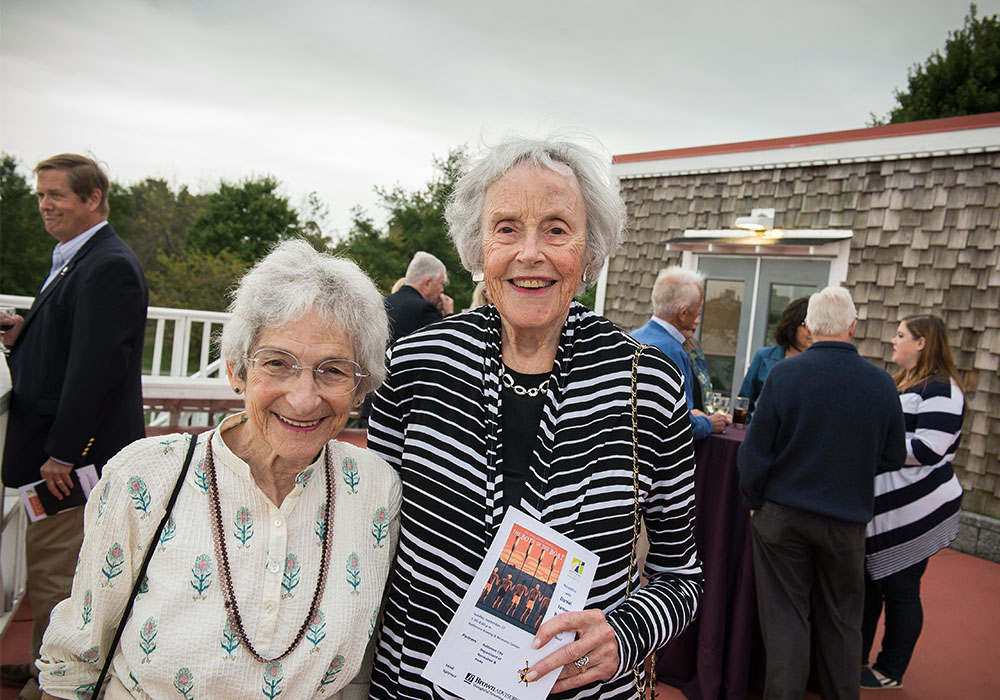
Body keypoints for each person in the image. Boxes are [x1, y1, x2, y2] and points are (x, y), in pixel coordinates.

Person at [367, 135, 703, 699]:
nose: (530, 252)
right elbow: (373, 541)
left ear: (590, 252)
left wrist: (626, 633)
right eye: (506, 228)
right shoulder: (415, 365)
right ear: (478, 248)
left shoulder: (644, 381)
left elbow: (681, 577)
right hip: (418, 687)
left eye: (555, 228)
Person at [36, 240, 401, 699]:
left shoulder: (373, 489)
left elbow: (364, 665)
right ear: (236, 371)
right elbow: (74, 664)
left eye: (333, 371)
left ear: (361, 389)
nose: (305, 397)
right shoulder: (146, 476)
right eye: (277, 363)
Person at [0, 154, 147, 700]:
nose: (44, 205)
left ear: (93, 199)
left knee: (61, 577)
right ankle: (45, 664)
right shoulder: (76, 258)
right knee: (51, 572)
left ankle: (52, 685)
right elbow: (72, 344)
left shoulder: (107, 265)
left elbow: (97, 367)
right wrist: (26, 335)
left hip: (72, 465)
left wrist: (64, 451)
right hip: (61, 457)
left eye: (56, 195)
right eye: (40, 195)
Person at [737, 286, 906, 700]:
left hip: (781, 515)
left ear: (809, 326)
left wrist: (755, 502)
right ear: (853, 326)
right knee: (843, 622)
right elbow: (894, 455)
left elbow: (755, 452)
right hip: (846, 520)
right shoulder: (881, 383)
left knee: (785, 621)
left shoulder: (784, 375)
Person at [860, 315, 965, 690]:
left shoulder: (942, 390)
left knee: (901, 590)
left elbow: (928, 448)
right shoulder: (905, 383)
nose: (893, 340)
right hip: (886, 511)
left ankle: (891, 670)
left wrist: (871, 444)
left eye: (901, 335)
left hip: (916, 511)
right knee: (870, 586)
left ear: (922, 343)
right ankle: (856, 657)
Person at [632, 267, 730, 439]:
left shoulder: (633, 337)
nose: (698, 319)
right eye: (698, 312)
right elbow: (681, 424)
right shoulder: (672, 351)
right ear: (684, 313)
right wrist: (710, 423)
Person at [737, 296, 812, 420]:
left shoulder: (820, 363)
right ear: (792, 325)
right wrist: (745, 432)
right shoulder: (764, 356)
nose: (811, 331)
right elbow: (743, 402)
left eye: (815, 325)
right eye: (806, 325)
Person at [383, 251, 454, 342]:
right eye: (441, 283)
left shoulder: (385, 302)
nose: (442, 290)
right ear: (427, 283)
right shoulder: (424, 310)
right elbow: (446, 344)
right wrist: (449, 315)